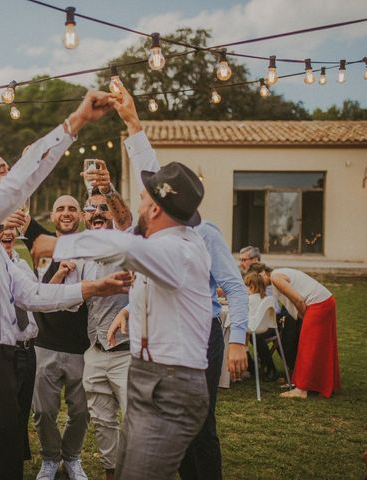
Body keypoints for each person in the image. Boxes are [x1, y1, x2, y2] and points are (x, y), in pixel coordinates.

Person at [0, 90, 132, 480]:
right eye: (2, 170)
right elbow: (17, 188)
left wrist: (94, 289)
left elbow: (31, 295)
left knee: (3, 466)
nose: (11, 177)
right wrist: (74, 122)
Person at [109, 84, 249, 480]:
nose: (145, 200)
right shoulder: (154, 234)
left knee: (198, 431)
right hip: (157, 347)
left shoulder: (206, 236)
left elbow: (235, 288)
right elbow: (150, 178)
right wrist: (133, 123)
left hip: (200, 337)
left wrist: (237, 339)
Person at [48, 154, 212, 480]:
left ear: (155, 210)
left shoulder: (179, 249)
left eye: (141, 199)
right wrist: (127, 311)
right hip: (147, 376)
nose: (137, 204)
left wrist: (53, 245)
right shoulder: (164, 242)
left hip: (170, 387)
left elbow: (123, 247)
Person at [19, 194, 92, 480]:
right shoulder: (41, 243)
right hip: (45, 343)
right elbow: (17, 209)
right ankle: (50, 458)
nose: (66, 212)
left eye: (72, 208)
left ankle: (72, 457)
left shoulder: (92, 248)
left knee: (81, 412)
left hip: (82, 347)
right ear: (51, 216)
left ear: (81, 216)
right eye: (60, 208)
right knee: (44, 411)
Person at [79, 177, 133, 480]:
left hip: (127, 352)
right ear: (85, 217)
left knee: (135, 419)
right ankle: (112, 471)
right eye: (91, 209)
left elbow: (125, 220)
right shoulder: (81, 254)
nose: (97, 212)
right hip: (95, 352)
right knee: (101, 420)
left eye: (104, 208)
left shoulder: (126, 244)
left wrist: (109, 191)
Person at [254, 264, 341, 399]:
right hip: (323, 302)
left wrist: (305, 318)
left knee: (308, 346)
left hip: (318, 305)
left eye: (257, 277)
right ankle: (313, 384)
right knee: (318, 347)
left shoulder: (276, 277)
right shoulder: (279, 274)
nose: (257, 282)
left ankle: (301, 390)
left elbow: (298, 300)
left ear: (264, 272)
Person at [0, 222, 40, 464]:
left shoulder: (22, 265)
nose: (9, 232)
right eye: (3, 226)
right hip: (5, 352)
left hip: (27, 349)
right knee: (6, 412)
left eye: (12, 227)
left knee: (22, 409)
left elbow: (36, 296)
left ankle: (15, 460)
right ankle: (3, 462)